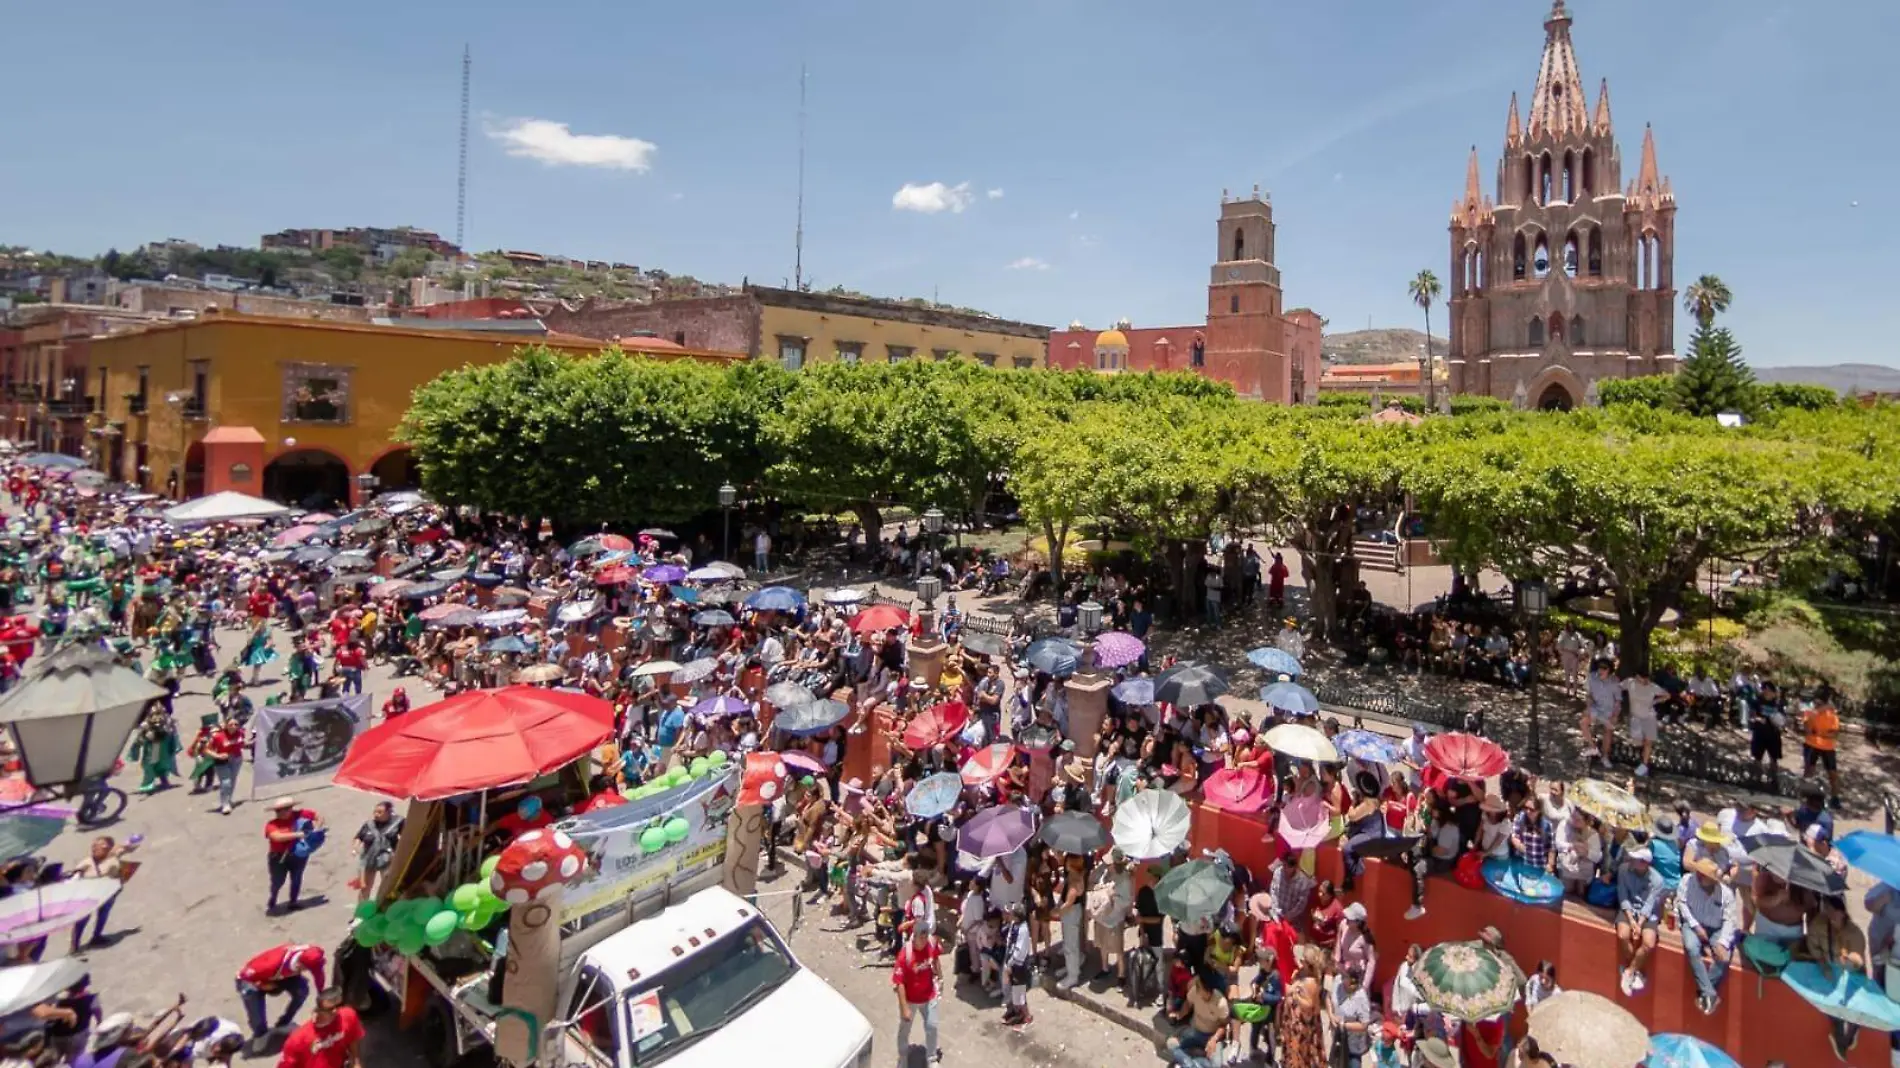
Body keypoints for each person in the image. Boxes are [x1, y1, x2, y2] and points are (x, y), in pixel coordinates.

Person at [1676, 856, 1739, 1015]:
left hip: (1716, 929)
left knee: (1723, 957)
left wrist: (1722, 942)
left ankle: (1705, 992)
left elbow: (1730, 921)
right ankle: (1710, 994)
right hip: (1693, 923)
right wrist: (1696, 926)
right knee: (1691, 947)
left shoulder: (1726, 894)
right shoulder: (1687, 881)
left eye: (1702, 875)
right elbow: (1682, 904)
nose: (1698, 876)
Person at [235, 943, 327, 1045]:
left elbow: (319, 975)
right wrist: (262, 984)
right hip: (251, 979)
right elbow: (245, 977)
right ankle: (260, 1033)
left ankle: (283, 1023)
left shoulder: (312, 953)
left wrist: (321, 995)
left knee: (302, 990)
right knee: (255, 1009)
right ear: (300, 965)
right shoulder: (270, 965)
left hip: (279, 975)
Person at [68, 836, 134, 951]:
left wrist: (128, 844)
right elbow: (76, 874)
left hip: (108, 893)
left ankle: (96, 937)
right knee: (82, 919)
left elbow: (130, 848)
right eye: (94, 846)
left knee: (103, 914)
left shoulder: (113, 856)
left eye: (99, 845)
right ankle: (74, 946)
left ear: (108, 847)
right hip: (88, 895)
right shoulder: (87, 862)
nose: (94, 848)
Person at [1614, 845, 1664, 996]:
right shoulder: (1623, 870)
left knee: (1649, 943)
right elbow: (1622, 895)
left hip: (1647, 914)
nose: (1630, 860)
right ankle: (1635, 969)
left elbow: (1649, 904)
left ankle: (1629, 971)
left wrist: (1640, 924)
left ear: (1644, 863)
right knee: (1623, 935)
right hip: (1628, 909)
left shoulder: (1657, 880)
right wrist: (1631, 920)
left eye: (1634, 859)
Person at [892, 922, 943, 1067]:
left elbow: (936, 958)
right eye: (921, 938)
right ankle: (903, 1057)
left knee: (932, 1027)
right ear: (914, 936)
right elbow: (899, 982)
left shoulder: (931, 944)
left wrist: (940, 977)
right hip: (911, 999)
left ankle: (931, 1059)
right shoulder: (905, 954)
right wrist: (904, 1008)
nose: (923, 941)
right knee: (904, 1030)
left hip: (929, 995)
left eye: (925, 937)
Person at [263, 797, 323, 915]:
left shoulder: (300, 814)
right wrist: (299, 834)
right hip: (278, 856)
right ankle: (273, 896)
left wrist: (317, 829)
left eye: (285, 809)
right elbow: (277, 837)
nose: (281, 812)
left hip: (298, 853)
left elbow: (318, 816)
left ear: (290, 809)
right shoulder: (272, 824)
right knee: (278, 880)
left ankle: (293, 901)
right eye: (278, 810)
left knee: (297, 877)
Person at [274, 988, 362, 1068]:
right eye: (330, 1009)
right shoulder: (297, 1040)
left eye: (339, 1005)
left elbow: (352, 1038)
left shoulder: (348, 1016)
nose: (336, 1011)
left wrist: (356, 1061)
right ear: (319, 1009)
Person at [1167, 964, 1229, 1067]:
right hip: (1196, 1032)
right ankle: (1191, 1064)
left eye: (1199, 985)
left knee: (1216, 1065)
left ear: (1207, 990)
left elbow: (1224, 1026)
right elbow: (1188, 1004)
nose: (1196, 986)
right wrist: (1179, 1014)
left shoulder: (1220, 1003)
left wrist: (1214, 1040)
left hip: (1212, 1036)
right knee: (1171, 1044)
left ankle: (1190, 1064)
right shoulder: (1195, 992)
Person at [1278, 944, 1325, 1068]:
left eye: (1303, 958)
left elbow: (1310, 1005)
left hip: (1303, 1027)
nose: (1301, 960)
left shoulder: (1311, 983)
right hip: (1292, 1023)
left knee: (1301, 1058)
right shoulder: (1300, 974)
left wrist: (1296, 996)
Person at [351, 802, 402, 904]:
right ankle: (361, 912)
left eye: (380, 812)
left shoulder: (398, 822)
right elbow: (359, 837)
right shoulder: (369, 825)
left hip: (387, 859)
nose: (376, 814)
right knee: (365, 887)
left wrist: (399, 853)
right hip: (369, 859)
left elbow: (406, 836)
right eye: (375, 812)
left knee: (387, 887)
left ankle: (385, 909)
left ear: (388, 812)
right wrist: (355, 848)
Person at [1801, 690, 1843, 808]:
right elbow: (1808, 730)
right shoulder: (1810, 711)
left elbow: (1834, 733)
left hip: (1828, 747)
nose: (1818, 703)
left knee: (1832, 774)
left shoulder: (1832, 714)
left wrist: (1818, 733)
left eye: (1821, 701)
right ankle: (1805, 794)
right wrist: (1817, 713)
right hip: (1812, 745)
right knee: (1809, 770)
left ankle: (1835, 798)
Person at [1621, 669, 1665, 776]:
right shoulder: (1630, 682)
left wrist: (1655, 701)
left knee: (1648, 741)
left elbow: (1667, 695)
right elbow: (1617, 687)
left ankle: (1644, 765)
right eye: (1643, 678)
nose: (1645, 680)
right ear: (1637, 676)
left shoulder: (1653, 687)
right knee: (1637, 741)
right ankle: (1642, 760)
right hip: (1636, 716)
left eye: (1647, 678)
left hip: (1649, 716)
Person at [1001, 902, 1034, 1027]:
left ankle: (1026, 1015)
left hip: (1018, 966)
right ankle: (1015, 1011)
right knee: (1010, 989)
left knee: (1019, 992)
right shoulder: (1014, 925)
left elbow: (1020, 950)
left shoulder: (1023, 930)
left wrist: (1010, 964)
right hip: (1010, 961)